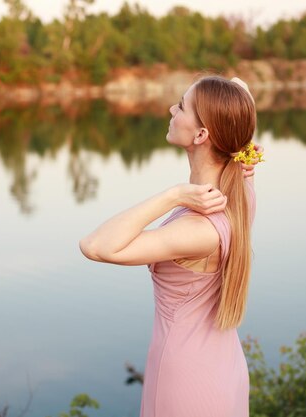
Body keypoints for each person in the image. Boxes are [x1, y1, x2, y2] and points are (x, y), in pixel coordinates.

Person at [79, 75, 261, 417]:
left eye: (181, 105)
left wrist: (172, 195)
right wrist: (247, 143)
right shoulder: (242, 194)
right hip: (224, 366)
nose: (171, 109)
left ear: (202, 135)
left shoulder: (197, 229)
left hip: (186, 381)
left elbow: (95, 245)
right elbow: (240, 89)